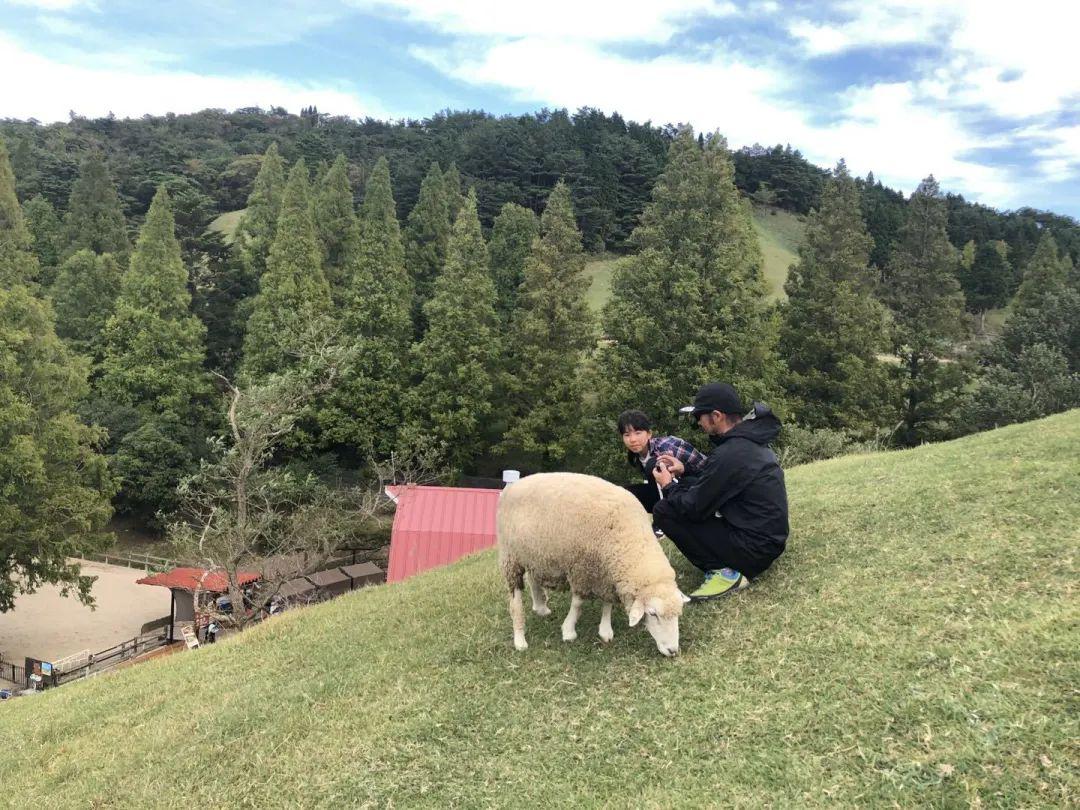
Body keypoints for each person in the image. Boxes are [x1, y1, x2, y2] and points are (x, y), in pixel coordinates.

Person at [651, 382, 789, 600]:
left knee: (664, 510)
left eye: (699, 418)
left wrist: (668, 485)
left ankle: (724, 573)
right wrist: (684, 470)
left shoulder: (730, 453)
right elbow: (716, 482)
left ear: (716, 416)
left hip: (753, 550)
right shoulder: (748, 442)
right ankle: (729, 565)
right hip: (768, 541)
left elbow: (693, 507)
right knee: (682, 494)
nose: (698, 423)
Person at [617, 409, 708, 514]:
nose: (632, 439)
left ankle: (666, 516)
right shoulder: (637, 454)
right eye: (627, 435)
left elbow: (668, 482)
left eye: (638, 433)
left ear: (649, 434)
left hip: (701, 485)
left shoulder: (663, 449)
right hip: (676, 488)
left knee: (653, 466)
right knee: (624, 493)